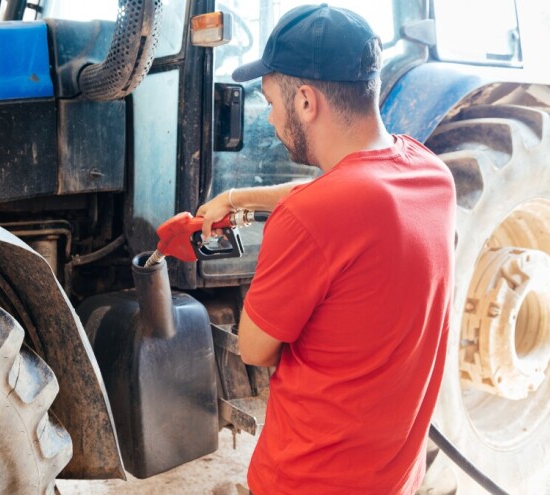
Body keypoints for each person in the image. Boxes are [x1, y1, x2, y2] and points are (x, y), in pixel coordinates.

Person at [194, 5, 456, 494]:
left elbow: (255, 349)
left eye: (272, 101)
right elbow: (348, 195)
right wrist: (238, 198)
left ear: (307, 102)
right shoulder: (429, 174)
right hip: (392, 479)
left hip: (306, 480)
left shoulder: (308, 220)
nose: (270, 117)